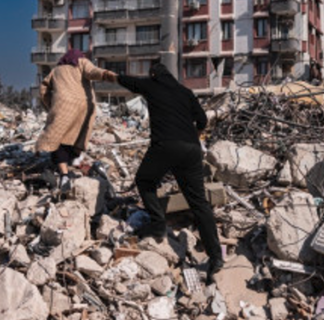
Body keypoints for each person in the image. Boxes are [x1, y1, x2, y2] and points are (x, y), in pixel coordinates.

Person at [112, 63, 224, 282]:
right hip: (191, 150)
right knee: (199, 202)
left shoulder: (153, 86)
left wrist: (112, 75)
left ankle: (158, 224)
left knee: (144, 180)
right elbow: (202, 120)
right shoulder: (185, 92)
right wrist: (192, 137)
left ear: (154, 75)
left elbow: (129, 81)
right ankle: (216, 256)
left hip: (165, 145)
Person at [36, 49, 117, 191]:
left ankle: (64, 174)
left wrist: (50, 105)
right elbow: (93, 71)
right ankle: (74, 162)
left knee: (57, 139)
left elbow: (43, 89)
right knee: (77, 136)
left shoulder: (56, 70)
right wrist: (105, 74)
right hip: (84, 106)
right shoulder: (82, 62)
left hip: (62, 106)